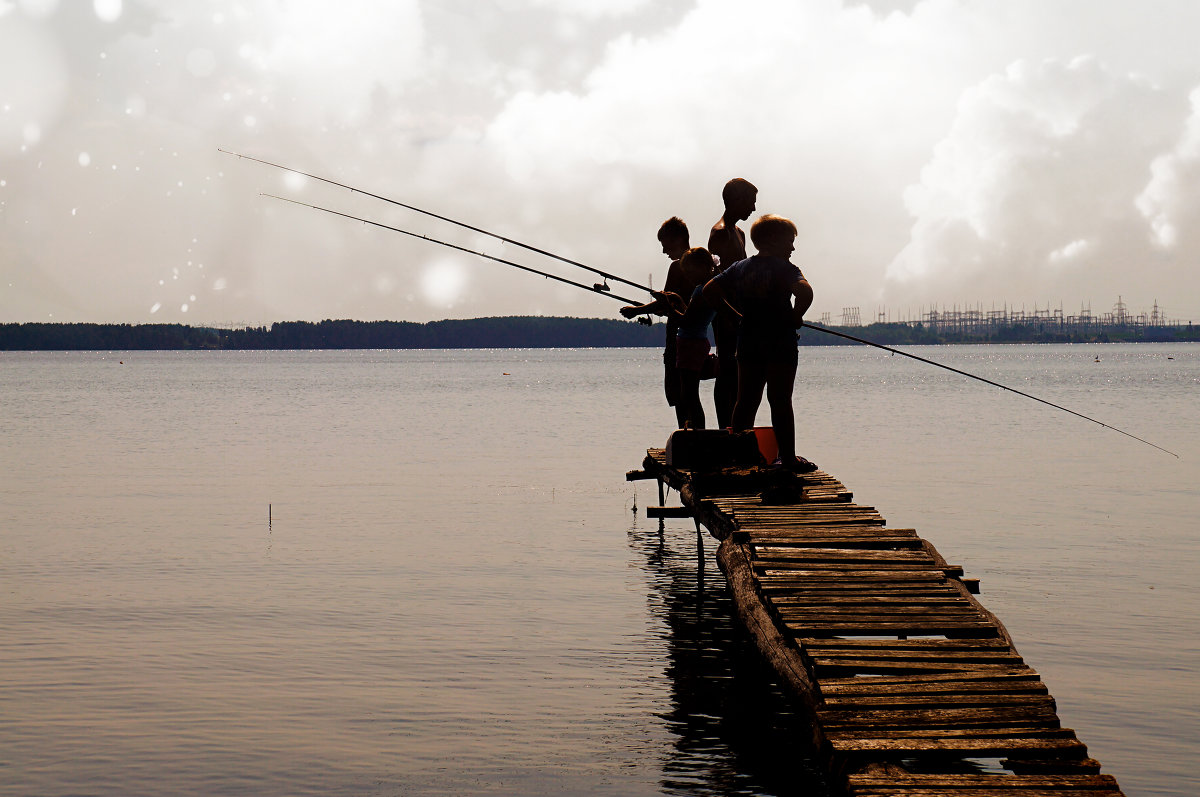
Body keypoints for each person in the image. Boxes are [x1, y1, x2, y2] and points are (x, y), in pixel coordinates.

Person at [702, 214, 815, 472]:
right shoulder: (786, 268)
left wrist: (732, 315)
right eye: (790, 241)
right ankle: (787, 459)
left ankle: (737, 455)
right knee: (780, 400)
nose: (793, 248)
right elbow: (805, 291)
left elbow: (710, 290)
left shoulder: (741, 268)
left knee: (745, 401)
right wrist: (797, 315)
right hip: (780, 343)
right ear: (773, 241)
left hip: (749, 341)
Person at [620, 217, 694, 426]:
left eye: (665, 245)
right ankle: (695, 437)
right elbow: (674, 304)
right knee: (690, 394)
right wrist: (654, 307)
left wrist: (638, 310)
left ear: (678, 239)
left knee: (679, 394)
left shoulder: (678, 266)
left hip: (677, 340)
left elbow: (669, 300)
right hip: (694, 338)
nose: (664, 251)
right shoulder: (701, 265)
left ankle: (686, 439)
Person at [707, 178, 757, 428]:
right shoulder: (720, 233)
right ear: (736, 200)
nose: (754, 209)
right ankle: (724, 429)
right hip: (727, 316)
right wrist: (732, 316)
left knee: (739, 375)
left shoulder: (739, 233)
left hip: (742, 314)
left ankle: (737, 429)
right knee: (726, 371)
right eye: (751, 202)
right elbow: (714, 283)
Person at [660, 247, 718, 429]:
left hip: (690, 345)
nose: (689, 277)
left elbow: (686, 321)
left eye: (691, 272)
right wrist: (676, 300)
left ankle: (698, 434)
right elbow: (690, 314)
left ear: (704, 267)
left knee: (690, 395)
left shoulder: (702, 291)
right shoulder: (707, 287)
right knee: (689, 394)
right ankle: (693, 432)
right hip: (694, 343)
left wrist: (669, 306)